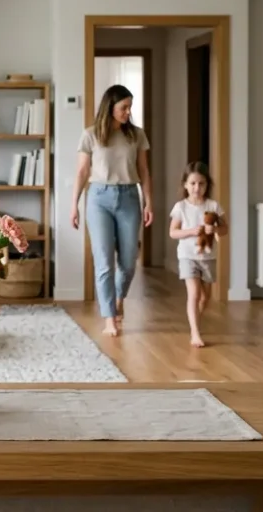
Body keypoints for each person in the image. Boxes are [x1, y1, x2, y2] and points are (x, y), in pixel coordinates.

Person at [71, 84, 153, 337]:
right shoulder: (91, 134)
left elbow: (144, 171)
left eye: (130, 107)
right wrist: (73, 204)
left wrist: (149, 201)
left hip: (129, 196)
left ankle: (119, 299)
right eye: (123, 107)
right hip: (98, 199)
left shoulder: (136, 135)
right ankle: (110, 317)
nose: (128, 112)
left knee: (128, 261)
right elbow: (83, 172)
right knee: (104, 261)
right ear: (110, 107)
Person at [168, 162, 227, 348]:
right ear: (185, 184)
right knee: (193, 294)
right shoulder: (181, 207)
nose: (197, 188)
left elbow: (225, 229)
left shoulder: (213, 206)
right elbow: (173, 232)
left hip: (208, 257)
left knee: (205, 297)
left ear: (207, 185)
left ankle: (195, 322)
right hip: (187, 256)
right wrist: (192, 231)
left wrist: (214, 228)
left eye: (201, 184)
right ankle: (195, 332)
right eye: (192, 183)